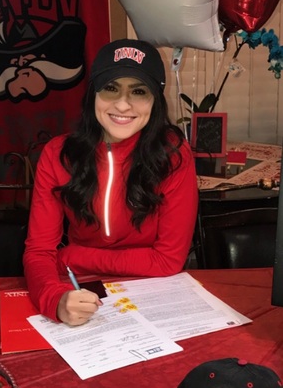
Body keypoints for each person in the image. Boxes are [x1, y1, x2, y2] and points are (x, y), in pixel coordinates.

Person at [23, 38, 198, 326]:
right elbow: (40, 251)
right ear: (93, 94)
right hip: (80, 285)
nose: (122, 104)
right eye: (111, 88)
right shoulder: (57, 154)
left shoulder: (174, 154)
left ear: (155, 100)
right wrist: (54, 299)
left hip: (154, 289)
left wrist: (73, 255)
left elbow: (168, 261)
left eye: (139, 91)